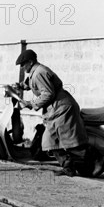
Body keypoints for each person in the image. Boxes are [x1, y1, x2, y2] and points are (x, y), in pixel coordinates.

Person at [14, 49, 88, 177]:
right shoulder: (36, 71)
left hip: (61, 108)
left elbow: (48, 93)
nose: (22, 67)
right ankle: (68, 167)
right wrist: (19, 86)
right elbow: (32, 84)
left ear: (30, 62)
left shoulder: (39, 73)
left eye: (23, 64)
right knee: (52, 141)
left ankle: (88, 161)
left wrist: (31, 103)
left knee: (66, 141)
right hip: (57, 108)